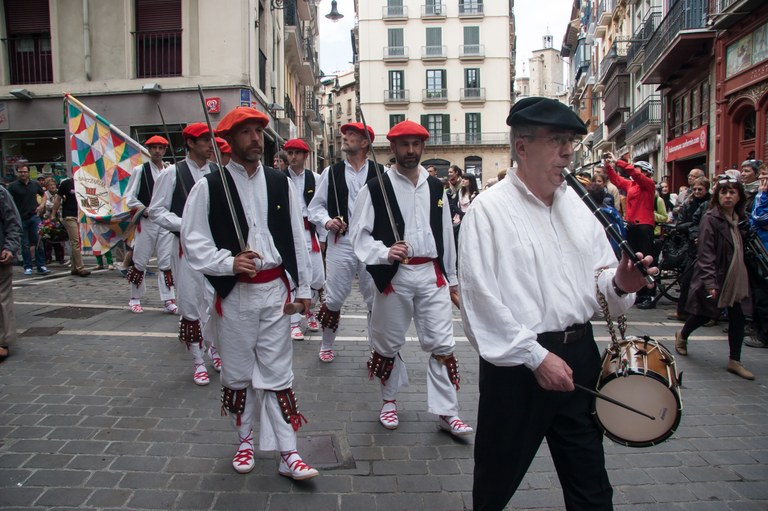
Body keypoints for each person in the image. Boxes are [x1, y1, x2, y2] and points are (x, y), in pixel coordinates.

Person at [459, 97, 656, 511]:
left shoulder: (580, 207)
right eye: (557, 141)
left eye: (570, 141)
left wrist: (622, 281)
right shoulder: (488, 211)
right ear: (522, 147)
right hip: (517, 369)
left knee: (591, 487)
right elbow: (481, 303)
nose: (568, 151)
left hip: (580, 354)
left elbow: (602, 285)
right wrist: (535, 357)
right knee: (494, 486)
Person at [181, 106, 317, 479]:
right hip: (236, 296)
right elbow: (194, 243)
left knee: (278, 373)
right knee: (238, 374)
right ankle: (244, 441)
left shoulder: (280, 182)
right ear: (229, 139)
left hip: (276, 292)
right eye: (246, 132)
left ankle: (289, 452)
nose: (255, 138)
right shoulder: (208, 186)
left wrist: (304, 288)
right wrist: (228, 263)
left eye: (259, 131)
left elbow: (296, 239)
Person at [350, 120, 472, 437]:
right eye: (404, 144)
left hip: (431, 273)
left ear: (423, 147)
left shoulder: (436, 187)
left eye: (416, 144)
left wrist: (452, 279)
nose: (410, 151)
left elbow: (445, 234)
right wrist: (383, 252)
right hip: (395, 275)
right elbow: (359, 236)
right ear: (392, 147)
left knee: (442, 342)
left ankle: (448, 411)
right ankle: (389, 401)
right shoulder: (376, 187)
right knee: (387, 342)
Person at [148, 122, 221, 386]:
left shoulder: (217, 171)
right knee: (190, 304)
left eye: (210, 139)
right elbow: (156, 210)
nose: (209, 144)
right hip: (186, 249)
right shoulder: (172, 173)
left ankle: (213, 347)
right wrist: (186, 225)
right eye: (203, 139)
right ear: (190, 143)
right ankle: (198, 361)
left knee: (215, 303)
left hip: (215, 249)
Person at [307, 122, 380, 362]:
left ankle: (376, 348)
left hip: (371, 244)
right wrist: (327, 221)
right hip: (341, 242)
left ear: (365, 142)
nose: (345, 137)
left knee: (374, 299)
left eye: (352, 135)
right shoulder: (331, 172)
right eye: (346, 134)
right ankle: (326, 344)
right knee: (335, 297)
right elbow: (315, 207)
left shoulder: (382, 173)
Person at [675, 175, 754, 380]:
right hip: (716, 276)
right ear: (717, 195)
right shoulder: (711, 218)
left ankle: (734, 360)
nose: (727, 197)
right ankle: (682, 335)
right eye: (723, 192)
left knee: (738, 316)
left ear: (739, 196)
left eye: (732, 192)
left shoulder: (740, 219)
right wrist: (710, 281)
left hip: (735, 276)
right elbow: (706, 252)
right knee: (704, 314)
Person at [124, 135, 177, 315]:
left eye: (160, 148)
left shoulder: (170, 170)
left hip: (165, 222)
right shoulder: (140, 170)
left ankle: (168, 299)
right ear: (148, 149)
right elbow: (130, 197)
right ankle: (135, 298)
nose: (157, 151)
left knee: (165, 261)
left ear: (165, 150)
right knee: (140, 259)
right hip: (147, 222)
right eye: (153, 147)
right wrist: (144, 209)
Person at [283, 138, 325, 343]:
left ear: (305, 156)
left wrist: (324, 237)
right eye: (289, 153)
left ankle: (311, 313)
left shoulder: (316, 178)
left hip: (310, 233)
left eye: (296, 153)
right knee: (292, 278)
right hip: (289, 234)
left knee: (316, 278)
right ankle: (293, 322)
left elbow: (321, 208)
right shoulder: (279, 178)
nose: (292, 157)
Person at [604, 154, 658, 309]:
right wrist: (609, 166)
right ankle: (637, 290)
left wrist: (619, 162)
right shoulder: (631, 186)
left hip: (644, 226)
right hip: (632, 225)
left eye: (639, 169)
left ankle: (649, 292)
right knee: (633, 258)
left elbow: (635, 174)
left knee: (646, 258)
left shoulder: (648, 184)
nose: (635, 172)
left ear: (646, 172)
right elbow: (617, 180)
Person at [668, 177, 711, 322]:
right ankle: (683, 311)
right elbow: (683, 224)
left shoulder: (711, 204)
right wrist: (694, 234)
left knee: (704, 282)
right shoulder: (689, 203)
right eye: (695, 189)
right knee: (686, 281)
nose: (697, 192)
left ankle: (708, 314)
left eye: (700, 189)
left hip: (707, 247)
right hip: (692, 246)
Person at [7, 165, 49, 275]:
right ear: (17, 173)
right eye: (21, 172)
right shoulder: (13, 186)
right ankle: (28, 266)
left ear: (28, 173)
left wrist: (41, 206)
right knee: (24, 244)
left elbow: (44, 195)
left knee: (38, 241)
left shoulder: (35, 184)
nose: (23, 174)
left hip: (34, 216)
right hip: (20, 218)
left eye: (25, 172)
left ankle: (41, 265)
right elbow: (8, 201)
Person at [50, 175, 91, 277]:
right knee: (75, 241)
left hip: (80, 216)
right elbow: (58, 199)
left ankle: (74, 267)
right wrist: (53, 213)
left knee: (75, 242)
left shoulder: (84, 184)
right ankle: (80, 267)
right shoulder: (66, 184)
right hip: (69, 216)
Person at [0, 184, 22, 362]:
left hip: (1, 254)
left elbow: (13, 222)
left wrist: (10, 247)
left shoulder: (1, 192)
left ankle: (3, 341)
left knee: (2, 297)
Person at [41, 177, 65, 265]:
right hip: (48, 219)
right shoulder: (45, 194)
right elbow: (47, 205)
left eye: (53, 185)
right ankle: (48, 257)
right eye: (50, 185)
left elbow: (62, 203)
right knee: (48, 239)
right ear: (47, 186)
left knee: (60, 238)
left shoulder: (59, 192)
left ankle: (60, 257)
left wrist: (56, 205)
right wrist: (56, 205)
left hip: (59, 218)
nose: (52, 187)